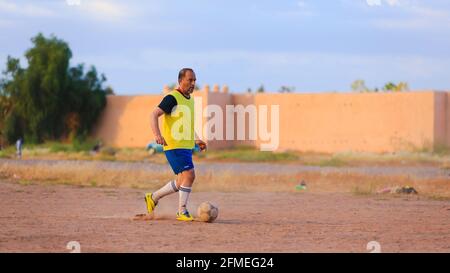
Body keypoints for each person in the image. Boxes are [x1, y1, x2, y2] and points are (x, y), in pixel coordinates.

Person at [145, 68, 206, 222]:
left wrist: (197, 139)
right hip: (174, 145)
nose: (193, 83)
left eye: (194, 80)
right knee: (190, 175)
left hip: (186, 147)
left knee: (181, 181)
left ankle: (153, 197)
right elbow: (154, 114)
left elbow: (187, 125)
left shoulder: (190, 100)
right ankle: (182, 211)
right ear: (180, 80)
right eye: (190, 80)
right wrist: (157, 135)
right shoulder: (172, 97)